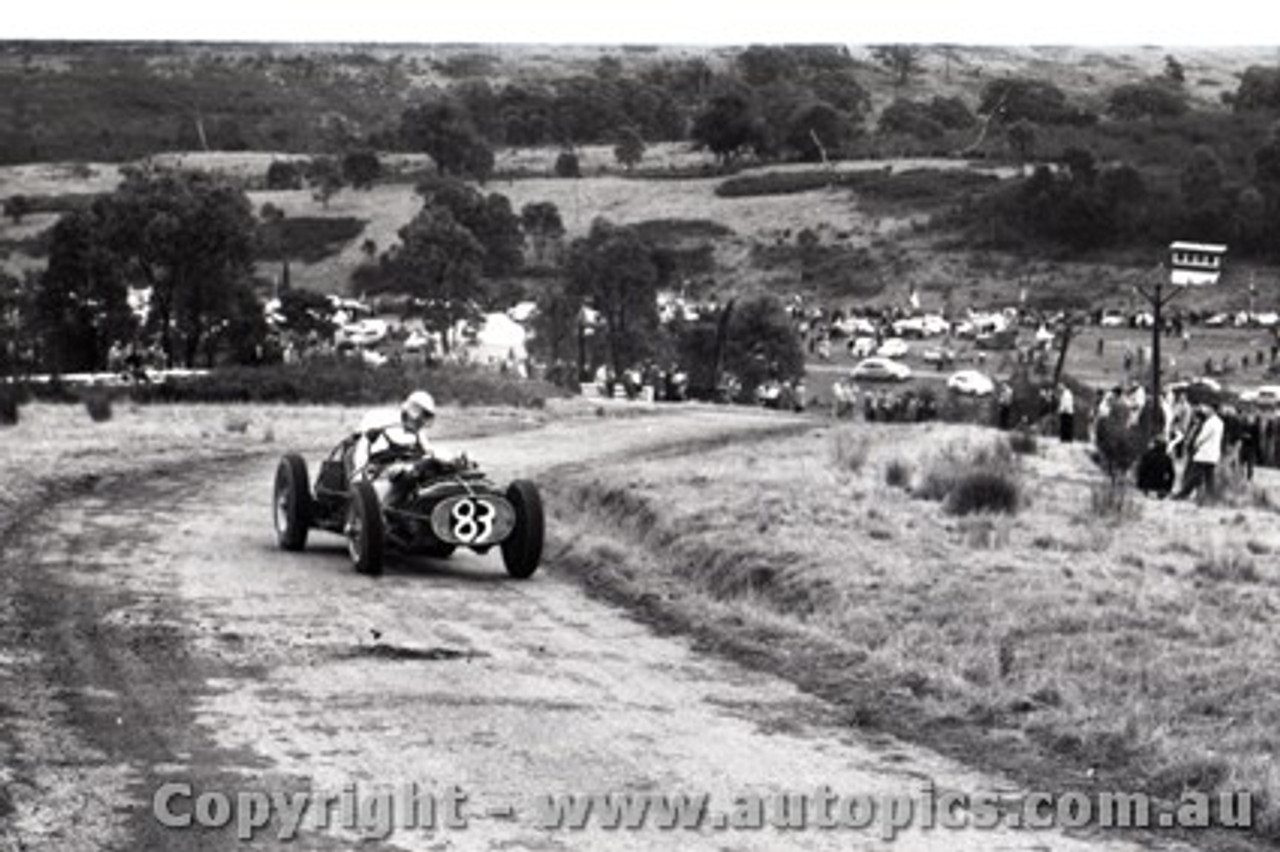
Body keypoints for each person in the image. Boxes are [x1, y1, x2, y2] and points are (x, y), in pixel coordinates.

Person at [351, 390, 441, 507]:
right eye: (420, 415)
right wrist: (359, 475)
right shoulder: (382, 422)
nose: (421, 421)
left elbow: (429, 452)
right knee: (405, 475)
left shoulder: (419, 434)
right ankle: (388, 509)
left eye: (425, 417)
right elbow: (362, 447)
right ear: (411, 410)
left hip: (411, 471)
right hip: (384, 473)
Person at [1174, 404, 1224, 503]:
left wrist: (1196, 443)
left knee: (1195, 475)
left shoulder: (1210, 423)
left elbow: (1202, 437)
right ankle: (1211, 496)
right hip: (1213, 454)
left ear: (1212, 409)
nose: (1206, 410)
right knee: (1209, 478)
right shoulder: (1220, 422)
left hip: (1204, 453)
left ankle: (1183, 494)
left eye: (1208, 408)